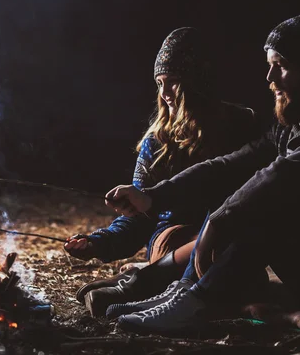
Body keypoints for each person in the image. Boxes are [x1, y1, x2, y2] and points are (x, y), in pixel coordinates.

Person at [104, 9, 300, 335]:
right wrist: (153, 196)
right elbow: (230, 165)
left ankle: (193, 302)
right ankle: (184, 294)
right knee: (240, 190)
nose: (269, 78)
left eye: (280, 66)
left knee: (265, 204)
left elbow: (282, 176)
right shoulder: (297, 126)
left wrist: (219, 220)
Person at [64, 27, 261, 316]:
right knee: (218, 256)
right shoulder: (158, 141)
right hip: (173, 239)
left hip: (226, 232)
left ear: (197, 82)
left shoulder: (241, 125)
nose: (165, 93)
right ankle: (143, 282)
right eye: (159, 83)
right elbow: (138, 217)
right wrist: (98, 242)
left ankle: (143, 280)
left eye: (174, 82)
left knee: (231, 243)